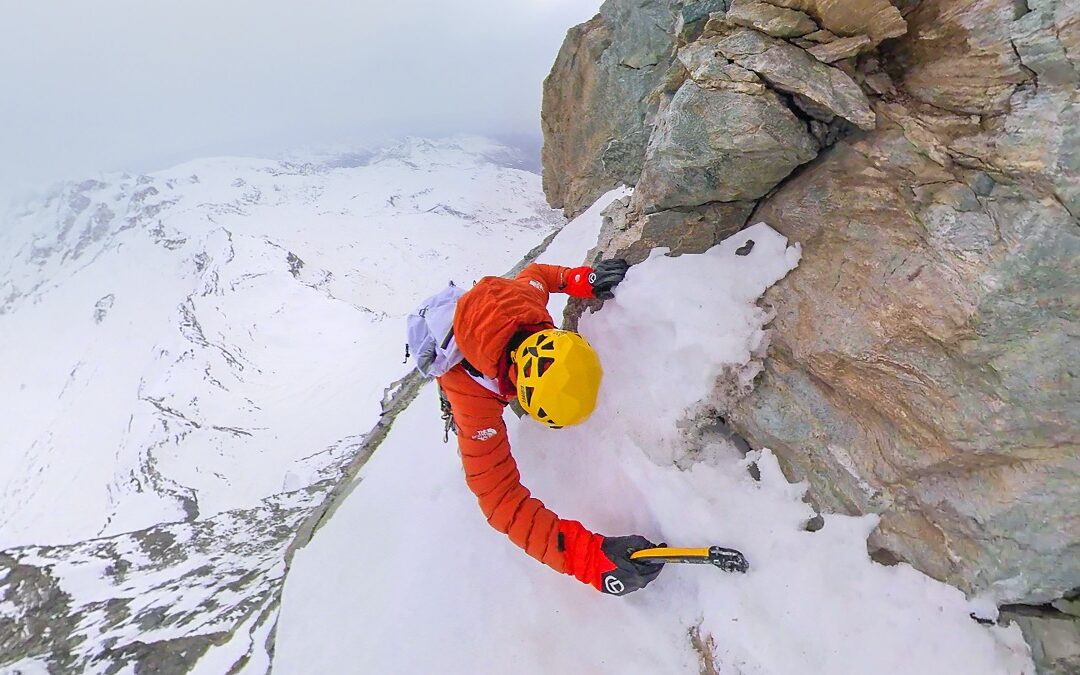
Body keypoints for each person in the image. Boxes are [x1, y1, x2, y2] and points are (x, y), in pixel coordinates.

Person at [437, 259, 665, 596]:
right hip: (459, 354)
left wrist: (582, 279)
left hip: (491, 316)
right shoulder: (472, 400)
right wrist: (589, 559)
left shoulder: (526, 301)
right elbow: (501, 503)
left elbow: (542, 276)